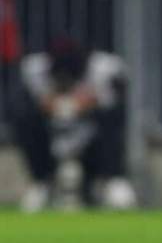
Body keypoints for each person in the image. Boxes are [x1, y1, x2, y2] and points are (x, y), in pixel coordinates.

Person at [13, 39, 136, 212]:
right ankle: (41, 182)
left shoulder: (104, 69)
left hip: (91, 137)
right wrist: (55, 105)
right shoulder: (35, 70)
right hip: (53, 135)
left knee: (112, 124)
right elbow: (34, 101)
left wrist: (87, 102)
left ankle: (114, 179)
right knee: (25, 120)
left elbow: (115, 103)